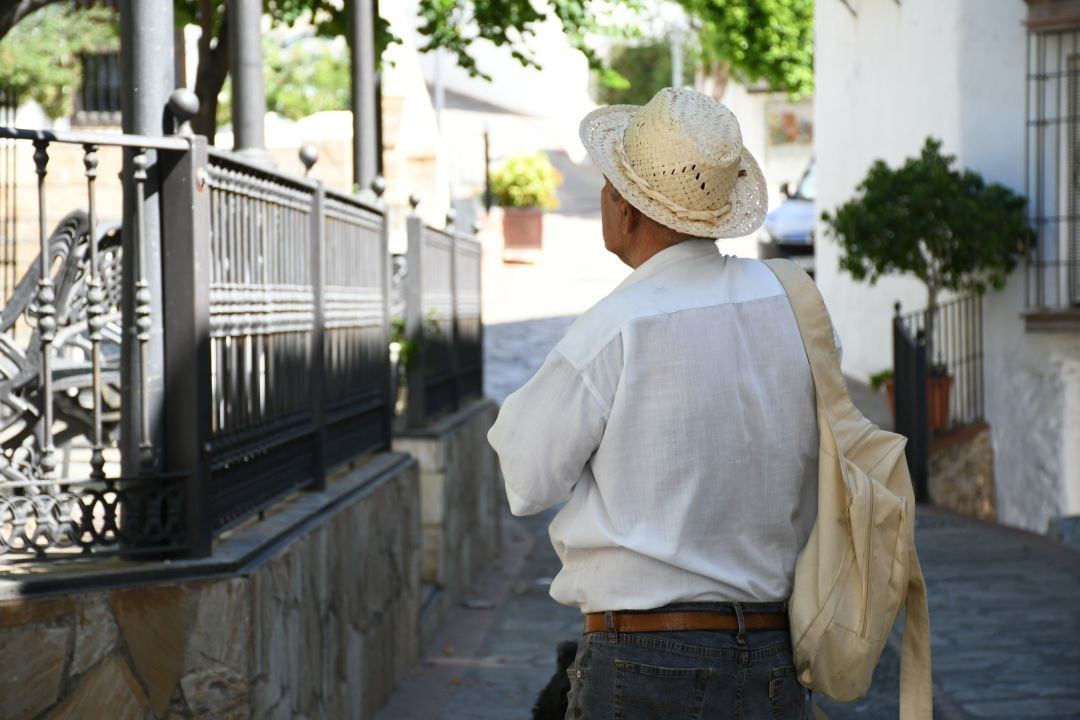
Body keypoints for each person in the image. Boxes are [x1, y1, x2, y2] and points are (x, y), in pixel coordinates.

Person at [488, 87, 833, 719]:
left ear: (625, 209)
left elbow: (526, 477)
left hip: (643, 660)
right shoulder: (789, 304)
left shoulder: (616, 324)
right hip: (770, 652)